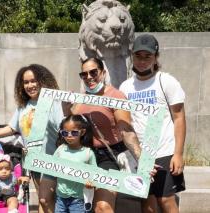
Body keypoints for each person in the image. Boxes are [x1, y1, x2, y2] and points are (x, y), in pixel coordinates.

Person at [0, 64, 64, 213]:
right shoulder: (23, 106)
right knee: (43, 200)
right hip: (33, 160)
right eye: (26, 82)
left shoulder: (54, 102)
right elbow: (12, 128)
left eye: (33, 81)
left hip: (51, 158)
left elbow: (63, 128)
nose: (30, 85)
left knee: (45, 199)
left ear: (42, 81)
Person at [119, 34, 186, 213]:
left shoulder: (167, 81)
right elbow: (125, 123)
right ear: (132, 56)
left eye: (147, 56)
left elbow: (179, 118)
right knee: (147, 205)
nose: (142, 61)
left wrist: (178, 154)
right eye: (138, 56)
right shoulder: (125, 87)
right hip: (140, 155)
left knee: (166, 201)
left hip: (165, 151)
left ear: (156, 57)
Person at [69, 57, 142, 213]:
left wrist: (142, 160)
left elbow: (126, 130)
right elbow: (70, 127)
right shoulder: (81, 98)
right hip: (83, 156)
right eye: (84, 74)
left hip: (108, 156)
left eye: (93, 72)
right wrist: (65, 108)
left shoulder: (116, 96)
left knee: (102, 206)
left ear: (102, 72)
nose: (88, 77)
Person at [54, 114, 96, 213]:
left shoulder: (88, 153)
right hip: (60, 197)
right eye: (65, 133)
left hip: (79, 199)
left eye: (74, 133)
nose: (69, 136)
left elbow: (94, 174)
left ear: (82, 132)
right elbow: (50, 166)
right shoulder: (60, 150)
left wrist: (91, 183)